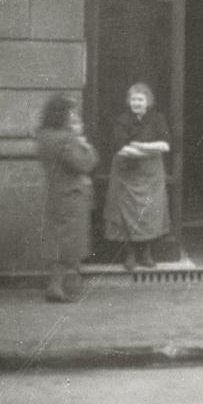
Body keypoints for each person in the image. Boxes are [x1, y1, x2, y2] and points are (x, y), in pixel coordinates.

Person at [35, 94, 98, 303]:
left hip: (55, 193)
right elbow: (84, 164)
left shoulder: (43, 136)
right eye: (70, 111)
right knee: (69, 242)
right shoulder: (65, 138)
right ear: (61, 113)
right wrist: (87, 148)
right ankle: (57, 287)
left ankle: (64, 284)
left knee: (58, 240)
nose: (73, 115)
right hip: (71, 195)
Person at [103, 83, 171, 271]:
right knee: (126, 212)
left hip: (151, 173)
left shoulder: (158, 119)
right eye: (133, 99)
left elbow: (166, 145)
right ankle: (130, 254)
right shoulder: (122, 120)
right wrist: (150, 148)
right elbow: (121, 147)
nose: (136, 103)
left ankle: (146, 253)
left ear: (148, 101)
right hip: (126, 171)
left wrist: (140, 147)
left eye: (140, 99)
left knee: (149, 211)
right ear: (129, 101)